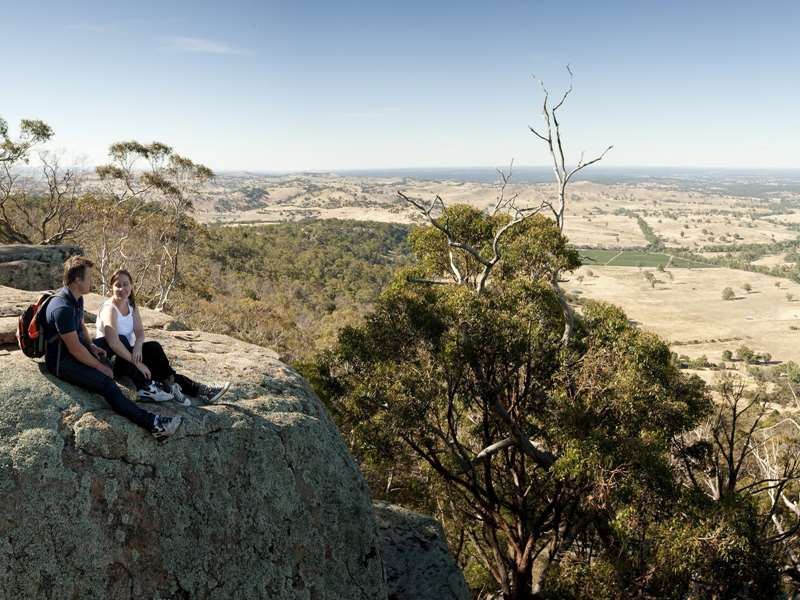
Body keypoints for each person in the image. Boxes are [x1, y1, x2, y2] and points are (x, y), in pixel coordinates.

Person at [44, 256, 181, 439]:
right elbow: (75, 349)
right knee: (107, 385)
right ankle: (154, 424)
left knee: (120, 340)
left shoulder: (76, 299)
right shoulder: (62, 308)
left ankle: (143, 386)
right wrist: (99, 366)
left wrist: (92, 345)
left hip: (76, 350)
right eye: (89, 277)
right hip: (63, 362)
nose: (92, 281)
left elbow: (81, 328)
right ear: (78, 280)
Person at [93, 268, 230, 405]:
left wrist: (138, 347)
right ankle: (194, 389)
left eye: (125, 284)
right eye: (118, 285)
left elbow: (139, 331)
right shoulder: (109, 309)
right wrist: (138, 363)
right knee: (143, 360)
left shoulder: (130, 305)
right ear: (111, 287)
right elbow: (114, 343)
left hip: (129, 353)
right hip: (115, 359)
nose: (122, 288)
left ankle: (185, 387)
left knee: (154, 348)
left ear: (131, 285)